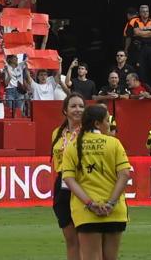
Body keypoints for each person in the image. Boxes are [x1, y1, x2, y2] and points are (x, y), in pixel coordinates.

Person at [60, 104, 129, 260]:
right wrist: (111, 203)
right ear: (97, 124)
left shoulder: (72, 147)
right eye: (107, 120)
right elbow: (124, 175)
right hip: (115, 211)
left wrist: (90, 203)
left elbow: (69, 180)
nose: (109, 124)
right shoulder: (114, 143)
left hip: (86, 212)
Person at [51, 93, 86, 260]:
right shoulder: (57, 133)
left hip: (83, 183)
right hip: (63, 183)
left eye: (81, 106)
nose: (78, 109)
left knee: (86, 239)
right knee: (70, 239)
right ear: (65, 110)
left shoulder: (90, 133)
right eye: (73, 106)